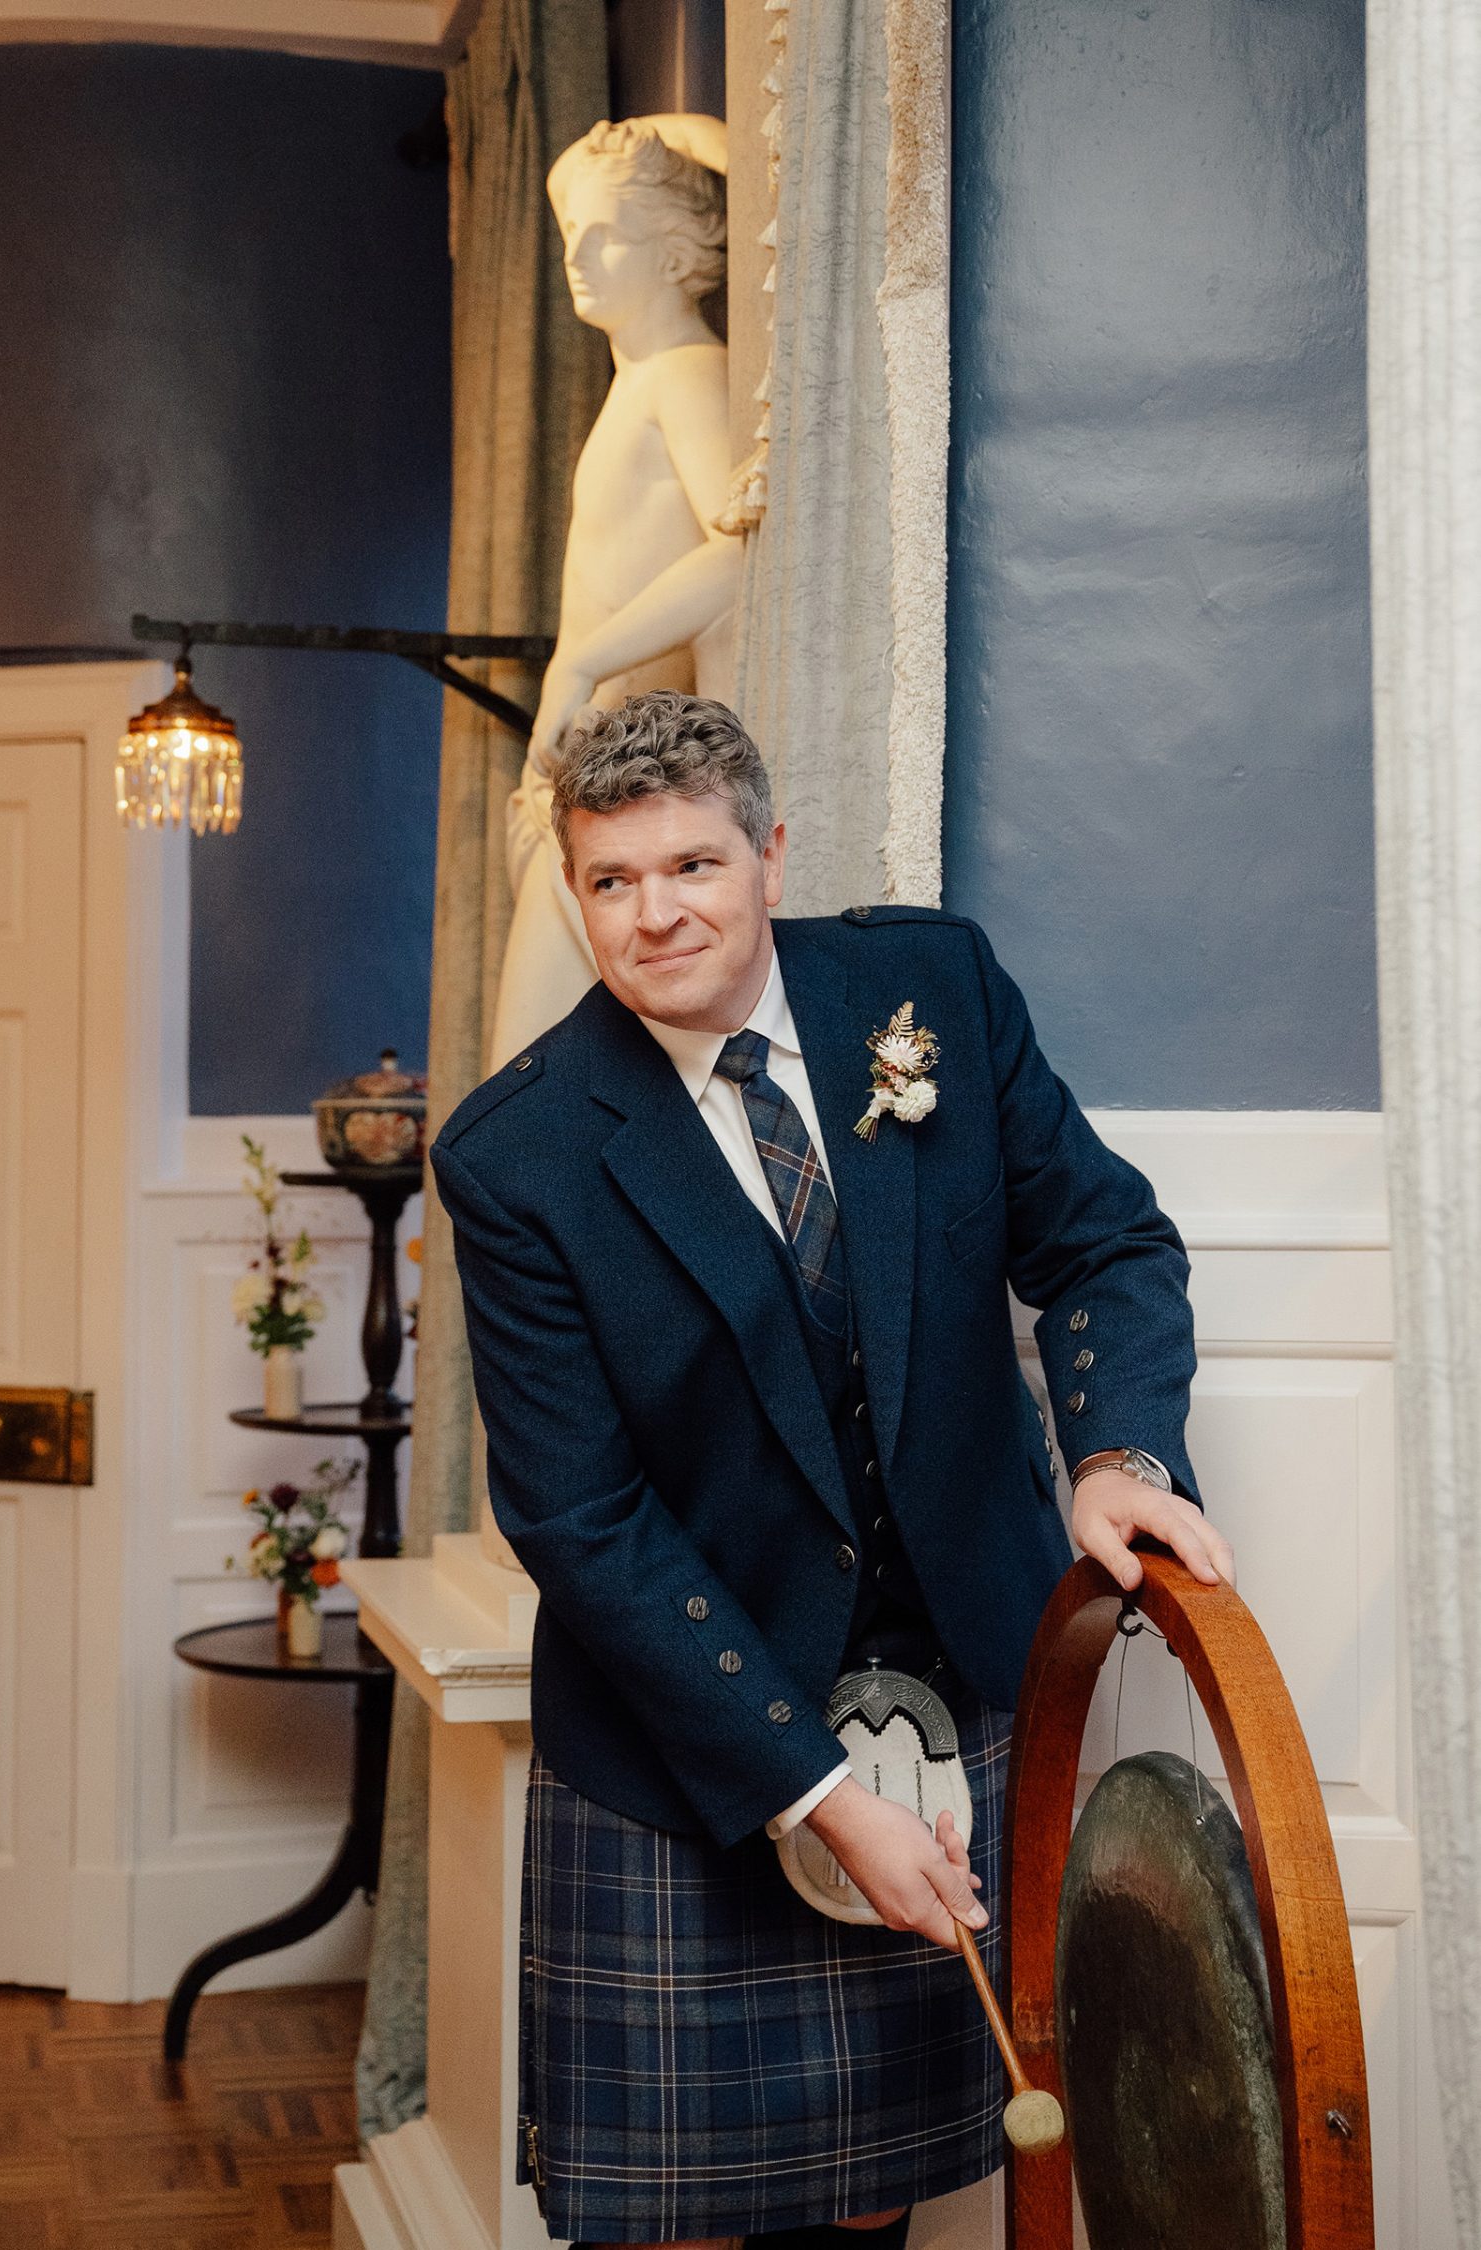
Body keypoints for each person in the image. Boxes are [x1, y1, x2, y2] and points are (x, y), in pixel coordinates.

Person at [430, 692, 1235, 2250]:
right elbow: (578, 1518)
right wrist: (805, 1783)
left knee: (869, 2201)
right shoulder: (514, 1155)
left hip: (953, 1689)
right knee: (665, 2224)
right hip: (685, 1744)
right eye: (610, 879)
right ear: (575, 888)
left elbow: (1106, 1241)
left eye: (692, 865)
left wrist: (1118, 1447)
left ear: (771, 853)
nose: (655, 913)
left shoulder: (929, 987)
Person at [491, 114, 740, 1070]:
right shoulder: (638, 383)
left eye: (606, 234)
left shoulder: (688, 373)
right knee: (542, 1093)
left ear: (679, 250)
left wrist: (584, 661)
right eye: (569, 237)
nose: (578, 257)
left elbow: (736, 552)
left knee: (533, 1085)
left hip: (637, 790)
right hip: (589, 783)